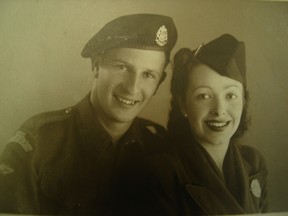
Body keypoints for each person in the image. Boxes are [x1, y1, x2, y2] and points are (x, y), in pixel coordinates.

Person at [0, 14, 178, 215]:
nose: (132, 88)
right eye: (122, 67)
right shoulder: (39, 139)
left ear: (158, 83)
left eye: (148, 75)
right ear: (96, 66)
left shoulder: (158, 145)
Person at [167, 34, 268, 215]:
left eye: (231, 96)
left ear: (244, 101)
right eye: (204, 96)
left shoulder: (254, 162)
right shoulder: (162, 173)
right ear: (183, 104)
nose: (219, 110)